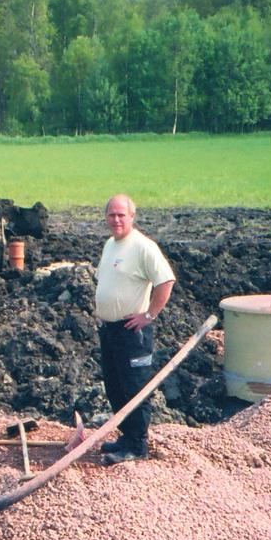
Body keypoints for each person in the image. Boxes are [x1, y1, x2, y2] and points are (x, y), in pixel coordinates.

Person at [94, 194, 176, 465]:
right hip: (110, 330)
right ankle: (126, 437)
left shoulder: (143, 247)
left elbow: (165, 281)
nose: (116, 220)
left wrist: (149, 315)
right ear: (106, 217)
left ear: (132, 217)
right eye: (112, 215)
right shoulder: (110, 245)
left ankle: (138, 445)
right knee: (115, 387)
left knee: (134, 388)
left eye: (121, 215)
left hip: (132, 333)